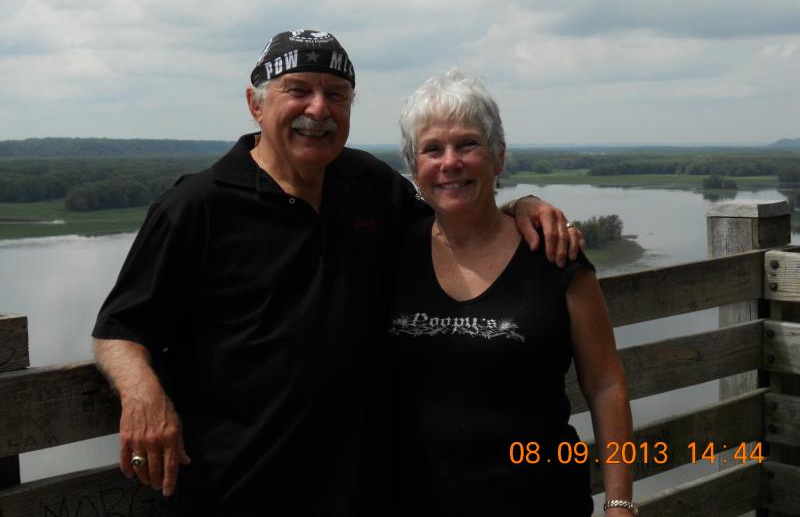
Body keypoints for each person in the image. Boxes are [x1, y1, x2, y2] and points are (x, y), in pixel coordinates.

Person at [91, 30, 584, 516]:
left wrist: (521, 205)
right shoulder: (196, 207)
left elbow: (454, 219)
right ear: (255, 104)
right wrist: (143, 395)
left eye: (336, 94)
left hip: (363, 496)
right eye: (298, 90)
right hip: (238, 493)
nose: (318, 109)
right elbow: (121, 327)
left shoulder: (370, 184)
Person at [388, 70, 634, 516]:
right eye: (432, 149)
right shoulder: (391, 253)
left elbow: (605, 384)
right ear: (413, 166)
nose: (450, 162)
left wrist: (619, 504)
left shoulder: (555, 255)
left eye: (467, 144)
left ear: (499, 157)